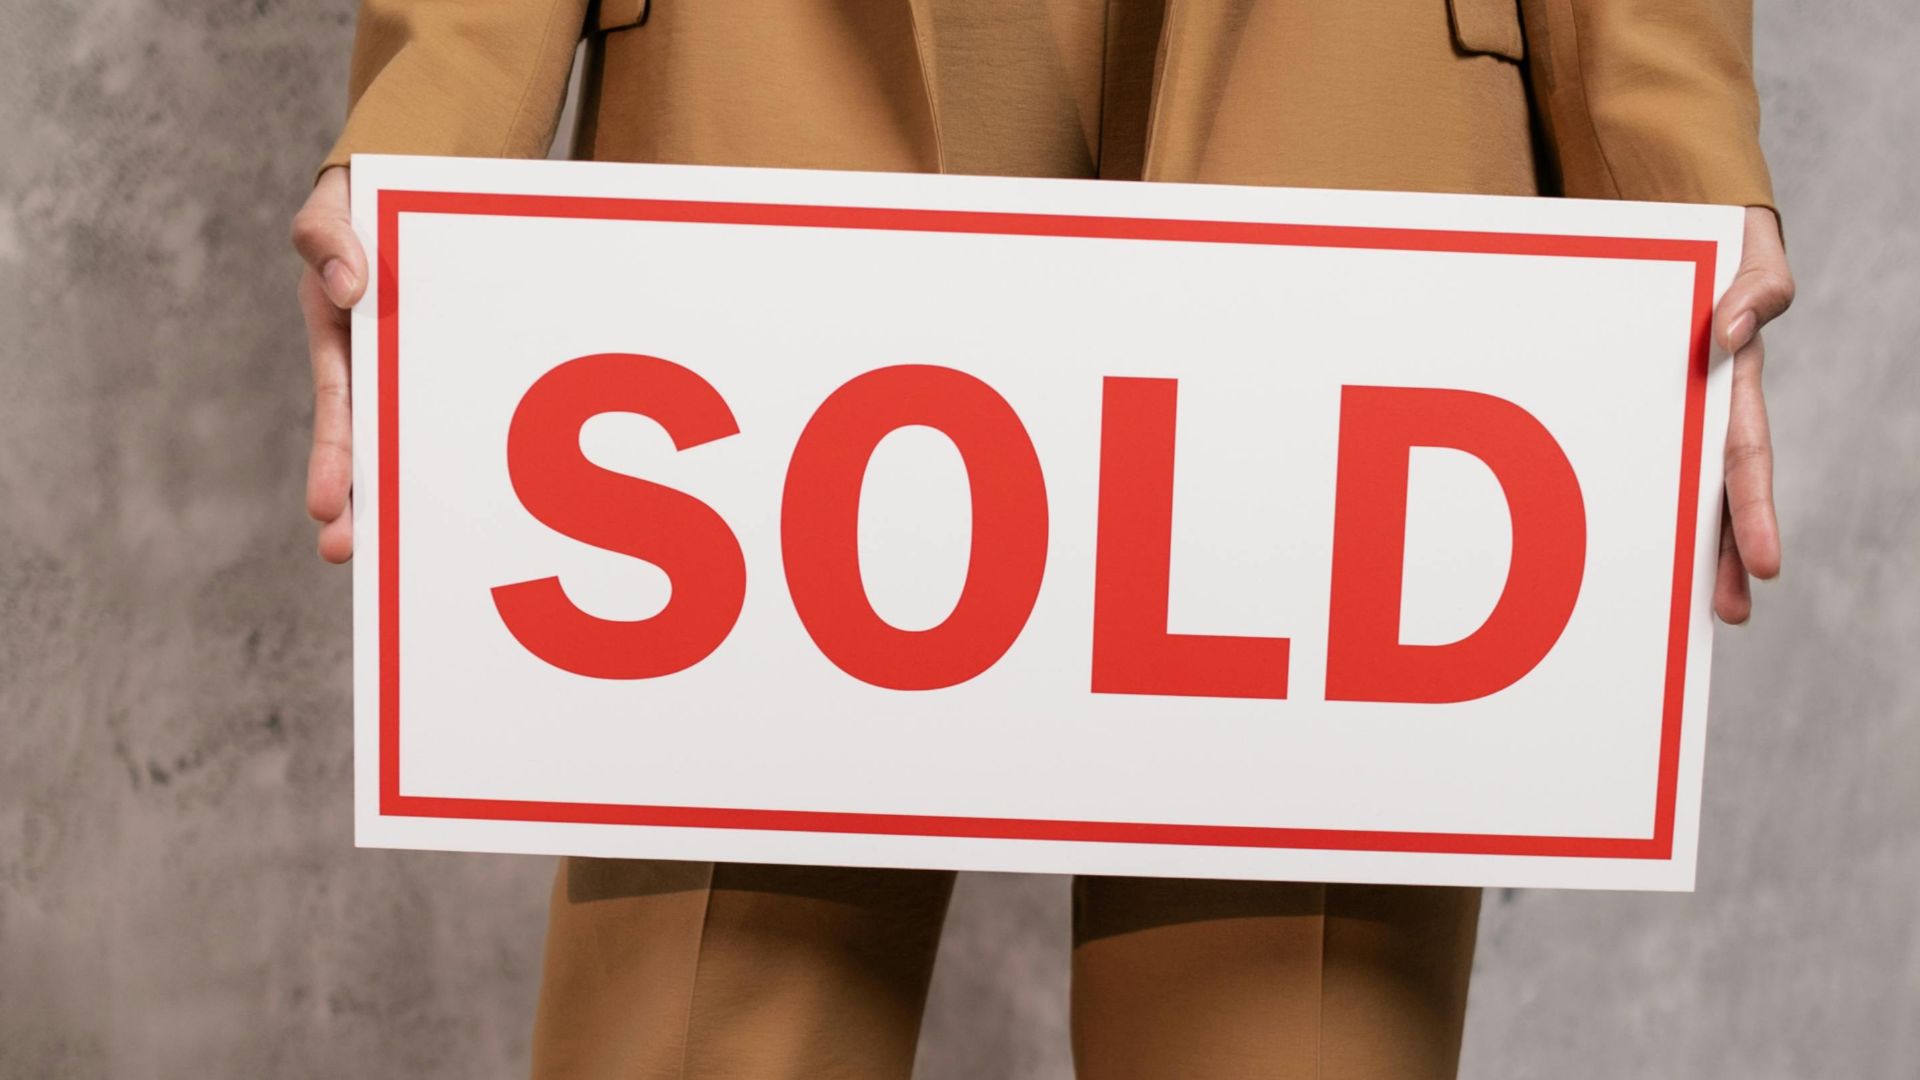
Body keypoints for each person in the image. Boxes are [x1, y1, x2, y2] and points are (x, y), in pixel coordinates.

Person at [292, 2, 1795, 1076]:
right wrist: (426, 125)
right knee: (708, 1008)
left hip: (1356, 73)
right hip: (765, 65)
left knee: (1285, 1025)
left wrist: (1677, 183)